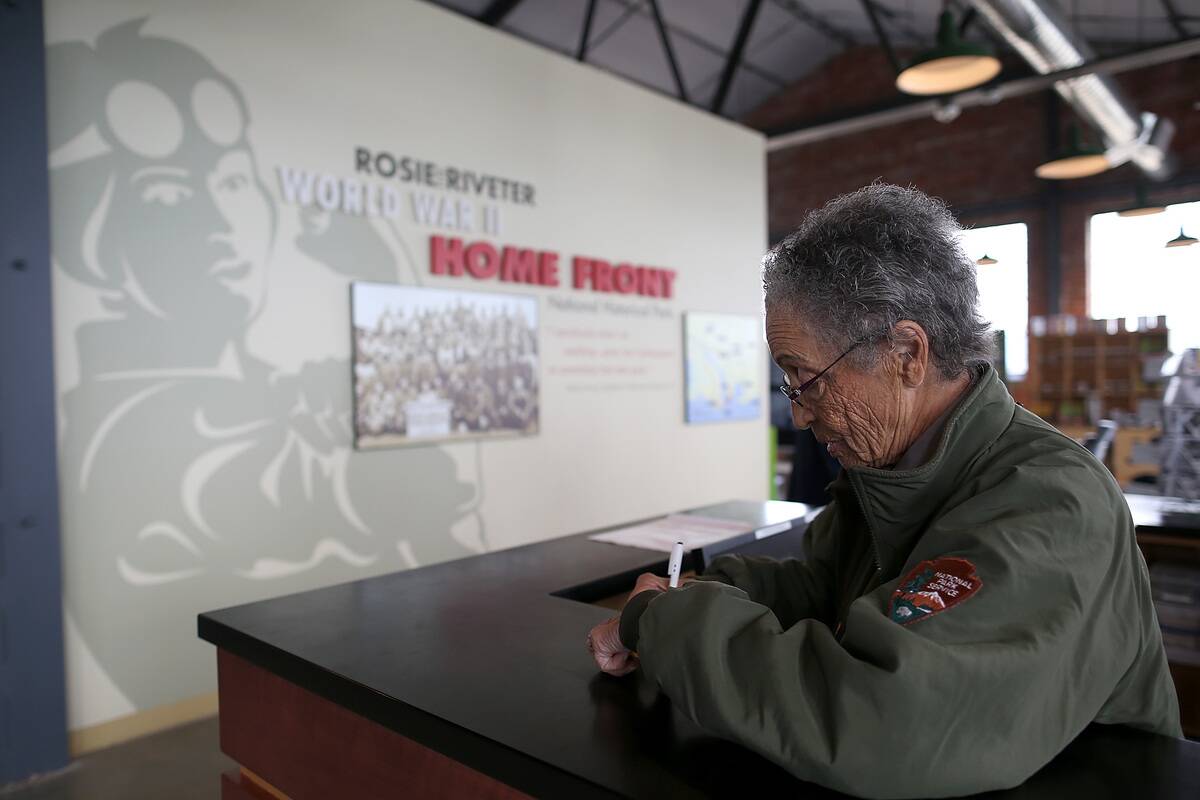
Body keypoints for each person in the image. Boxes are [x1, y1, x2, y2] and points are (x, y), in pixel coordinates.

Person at [587, 183, 1181, 797]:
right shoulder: (889, 473)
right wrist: (700, 591)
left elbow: (888, 718)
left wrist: (661, 623)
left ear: (905, 353)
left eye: (804, 378)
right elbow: (821, 589)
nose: (799, 415)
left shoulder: (1053, 502)